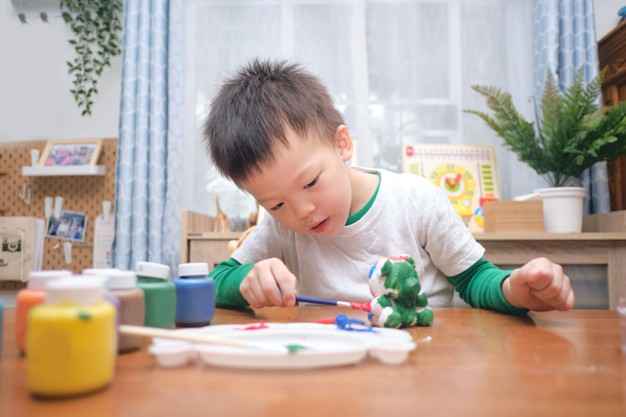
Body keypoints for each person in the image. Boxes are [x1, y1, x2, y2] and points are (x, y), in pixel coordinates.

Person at [203, 59, 575, 316]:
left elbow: (475, 279)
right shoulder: (280, 227)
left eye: (311, 182)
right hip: (332, 371)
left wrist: (513, 290)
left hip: (420, 364)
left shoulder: (416, 201)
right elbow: (216, 281)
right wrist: (246, 281)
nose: (301, 211)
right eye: (276, 204)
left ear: (342, 144)